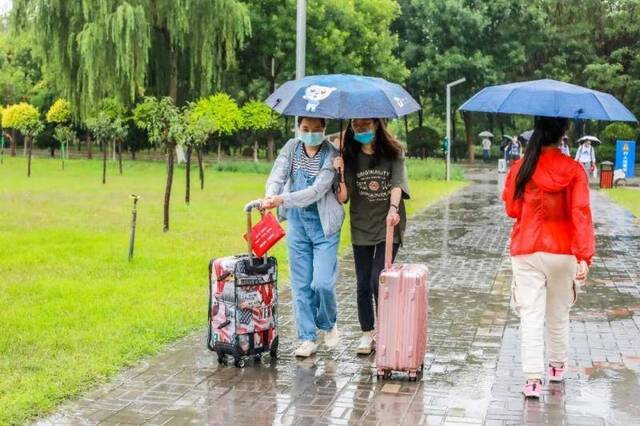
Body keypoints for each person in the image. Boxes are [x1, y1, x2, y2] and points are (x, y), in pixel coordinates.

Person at [502, 116, 595, 399]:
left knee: (530, 313)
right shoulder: (574, 170)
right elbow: (580, 212)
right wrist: (584, 256)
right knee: (558, 313)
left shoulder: (521, 167)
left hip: (527, 247)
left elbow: (511, 209)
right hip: (563, 250)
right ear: (563, 135)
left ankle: (532, 379)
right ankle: (556, 368)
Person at [262, 116, 345, 358]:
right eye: (306, 129)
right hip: (297, 223)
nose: (310, 133)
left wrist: (282, 199)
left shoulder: (332, 155)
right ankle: (307, 337)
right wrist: (269, 196)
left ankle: (328, 323)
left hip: (324, 226)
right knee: (301, 284)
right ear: (298, 128)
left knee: (321, 284)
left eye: (316, 129)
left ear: (324, 129)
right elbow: (278, 174)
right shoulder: (291, 147)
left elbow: (316, 191)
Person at [333, 118, 410, 355]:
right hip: (361, 225)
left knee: (379, 279)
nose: (360, 130)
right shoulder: (350, 156)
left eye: (365, 125)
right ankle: (367, 334)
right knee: (363, 283)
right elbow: (344, 198)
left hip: (389, 224)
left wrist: (393, 209)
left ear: (377, 125)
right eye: (356, 126)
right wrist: (341, 171)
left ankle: (386, 330)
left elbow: (397, 184)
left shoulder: (394, 152)